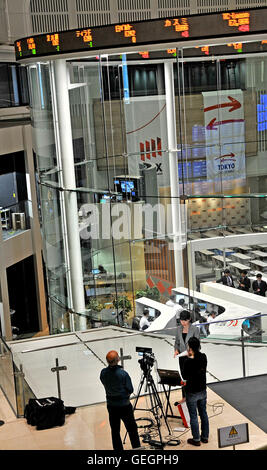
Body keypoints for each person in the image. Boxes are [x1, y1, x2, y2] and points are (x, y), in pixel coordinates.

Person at [100, 350, 140, 451]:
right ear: (118, 359)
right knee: (132, 429)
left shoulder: (103, 373)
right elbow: (130, 389)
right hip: (124, 406)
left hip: (111, 406)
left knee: (115, 430)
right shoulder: (123, 374)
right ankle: (136, 448)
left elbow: (103, 382)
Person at [182, 337, 209, 447]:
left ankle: (196, 439)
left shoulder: (188, 361)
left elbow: (184, 376)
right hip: (202, 390)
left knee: (193, 416)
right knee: (203, 413)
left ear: (190, 347)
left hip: (192, 391)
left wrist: (187, 359)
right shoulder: (203, 357)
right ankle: (205, 437)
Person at [174, 310, 200, 397]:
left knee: (192, 377)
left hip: (191, 357)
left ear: (189, 319)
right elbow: (177, 342)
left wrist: (191, 352)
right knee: (183, 377)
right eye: (181, 320)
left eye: (185, 320)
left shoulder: (195, 329)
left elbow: (198, 345)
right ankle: (184, 396)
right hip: (182, 357)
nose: (183, 322)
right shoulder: (178, 329)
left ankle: (193, 395)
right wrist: (176, 350)